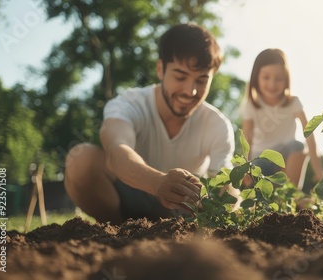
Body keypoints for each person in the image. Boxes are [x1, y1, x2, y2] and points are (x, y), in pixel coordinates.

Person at [64, 23, 236, 224]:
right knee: (81, 159)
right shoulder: (130, 104)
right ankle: (117, 231)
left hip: (183, 212)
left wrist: (225, 204)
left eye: (201, 80)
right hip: (128, 199)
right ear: (161, 69)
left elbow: (225, 184)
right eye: (180, 77)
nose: (191, 91)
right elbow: (117, 151)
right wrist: (159, 183)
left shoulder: (217, 124)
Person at [239, 48, 323, 188]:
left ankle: (291, 195)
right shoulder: (252, 105)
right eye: (266, 77)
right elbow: (246, 141)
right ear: (256, 78)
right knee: (256, 194)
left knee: (298, 146)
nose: (272, 84)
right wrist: (246, 170)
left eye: (278, 78)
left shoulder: (293, 103)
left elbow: (309, 134)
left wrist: (318, 170)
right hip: (260, 160)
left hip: (286, 159)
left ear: (286, 79)